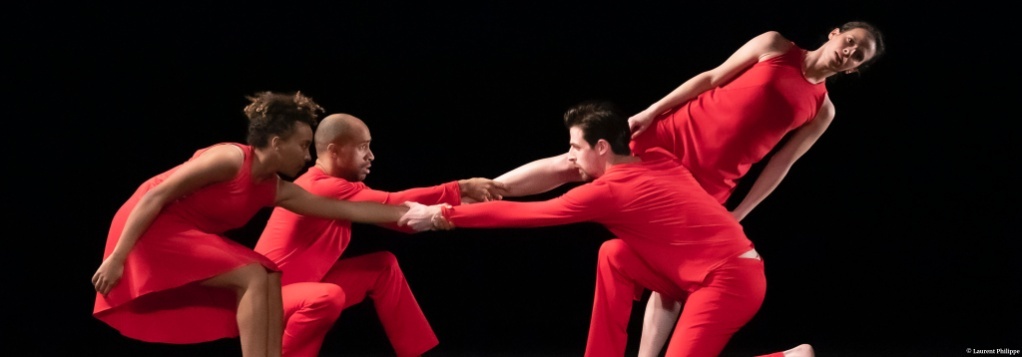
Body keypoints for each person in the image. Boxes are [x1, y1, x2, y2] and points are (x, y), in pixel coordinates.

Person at [487, 21, 885, 356]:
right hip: (675, 136)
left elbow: (782, 163)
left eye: (858, 56)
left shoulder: (823, 110)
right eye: (850, 41)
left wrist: (739, 213)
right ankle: (492, 188)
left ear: (854, 70)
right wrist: (651, 111)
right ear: (835, 33)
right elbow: (710, 78)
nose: (849, 52)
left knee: (675, 276)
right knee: (576, 163)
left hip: (712, 182)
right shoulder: (775, 45)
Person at [403, 101, 797, 357]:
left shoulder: (608, 192)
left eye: (576, 148)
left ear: (603, 147)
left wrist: (443, 216)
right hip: (701, 273)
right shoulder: (656, 157)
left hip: (732, 280)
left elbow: (526, 216)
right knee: (615, 254)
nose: (571, 158)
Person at [91, 91, 435, 357]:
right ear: (276, 143)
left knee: (268, 272)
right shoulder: (230, 158)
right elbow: (155, 196)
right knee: (254, 273)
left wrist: (424, 214)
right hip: (149, 226)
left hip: (183, 231)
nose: (307, 155)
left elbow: (340, 208)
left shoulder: (271, 186)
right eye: (302, 145)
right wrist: (119, 256)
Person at [254, 113, 509, 357]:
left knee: (382, 267)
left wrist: (451, 210)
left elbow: (398, 219)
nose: (371, 156)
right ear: (334, 150)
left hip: (300, 290)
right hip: (271, 299)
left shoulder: (342, 189)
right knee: (325, 297)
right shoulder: (321, 187)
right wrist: (460, 187)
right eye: (363, 147)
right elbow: (393, 202)